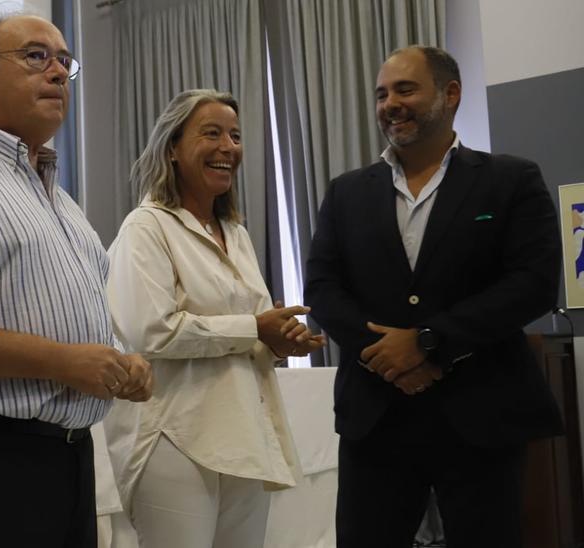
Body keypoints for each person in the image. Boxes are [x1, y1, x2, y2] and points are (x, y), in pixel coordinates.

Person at [304, 45, 563, 548]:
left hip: (482, 411)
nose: (389, 104)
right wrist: (385, 355)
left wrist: (428, 342)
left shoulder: (512, 180)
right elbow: (323, 287)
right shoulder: (346, 192)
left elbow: (531, 284)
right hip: (376, 416)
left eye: (405, 89)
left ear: (450, 95)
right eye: (381, 94)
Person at [0, 8, 153, 548]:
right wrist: (65, 364)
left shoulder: (63, 202)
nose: (57, 72)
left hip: (70, 455)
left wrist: (117, 359)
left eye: (64, 61)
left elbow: (80, 314)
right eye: (36, 57)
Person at [101, 89, 324, 548]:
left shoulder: (236, 234)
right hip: (173, 437)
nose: (229, 147)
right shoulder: (146, 228)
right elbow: (153, 331)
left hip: (242, 433)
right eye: (212, 133)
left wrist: (279, 340)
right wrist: (253, 330)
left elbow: (256, 325)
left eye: (236, 135)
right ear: (172, 149)